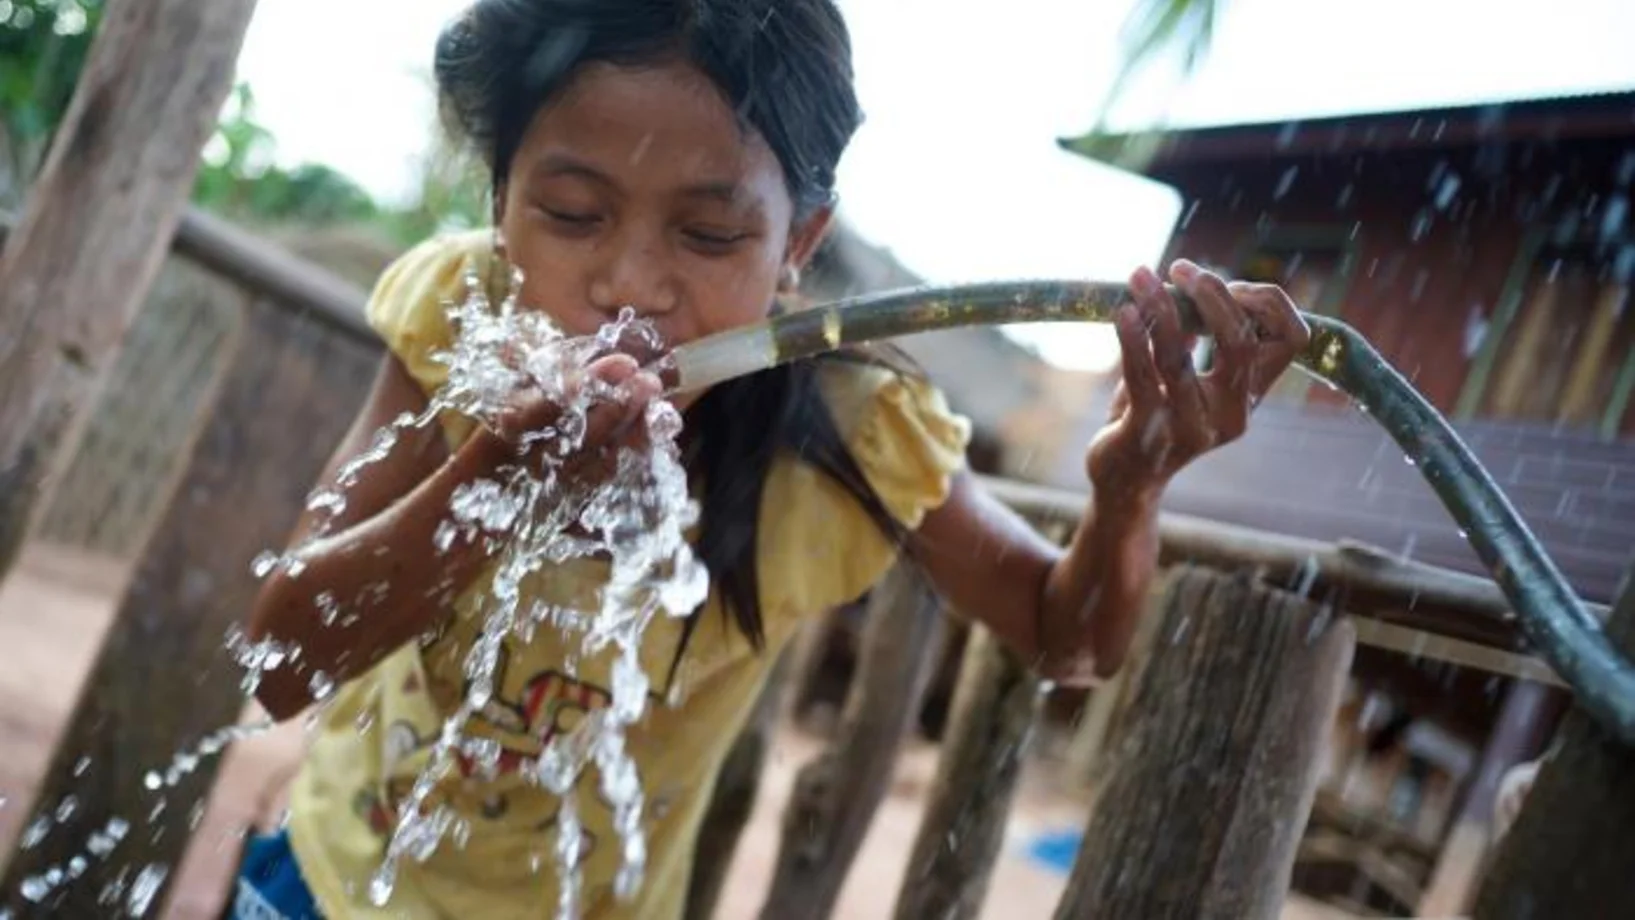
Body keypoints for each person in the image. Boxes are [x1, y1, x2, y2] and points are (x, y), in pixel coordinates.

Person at [234, 0, 1310, 917]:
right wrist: (489, 480)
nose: (631, 285)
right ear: (501, 201)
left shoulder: (855, 424)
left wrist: (1129, 489)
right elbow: (280, 658)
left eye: (708, 236)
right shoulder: (458, 318)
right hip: (327, 886)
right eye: (571, 213)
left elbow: (1067, 635)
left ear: (798, 244)